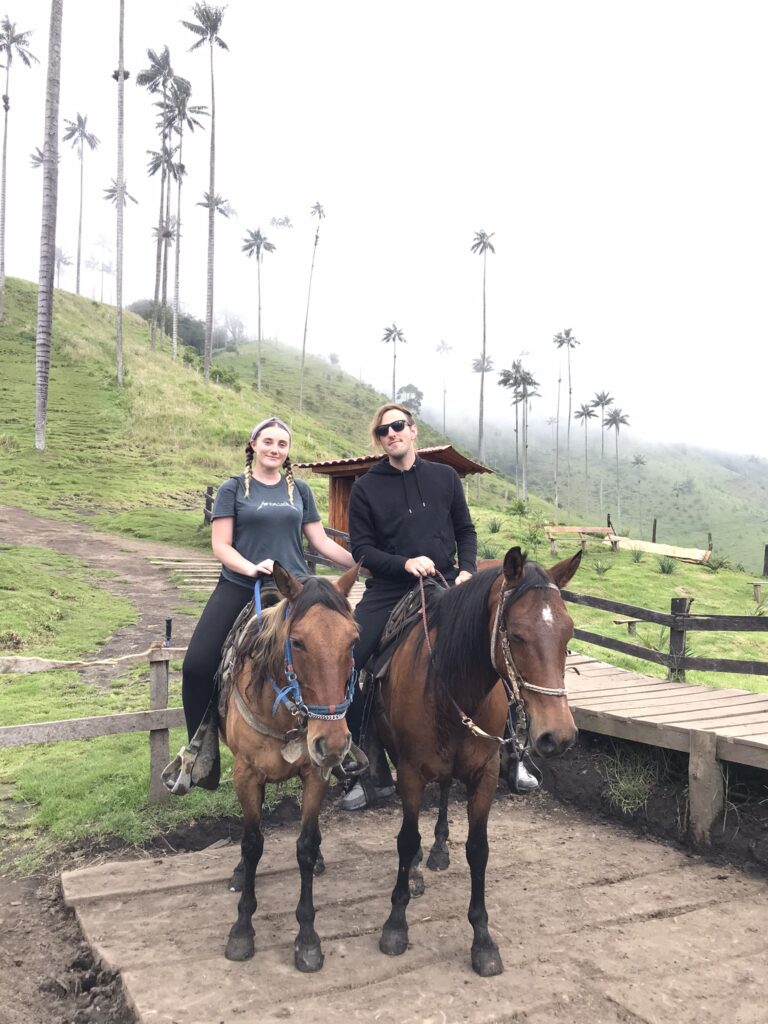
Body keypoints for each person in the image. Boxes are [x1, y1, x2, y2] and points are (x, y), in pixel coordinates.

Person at [340, 402, 540, 810]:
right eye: (383, 431)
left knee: (494, 650)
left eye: (398, 426)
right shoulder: (365, 487)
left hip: (448, 583)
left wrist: (466, 570)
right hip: (389, 589)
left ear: (413, 431)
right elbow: (361, 548)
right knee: (350, 659)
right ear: (378, 441)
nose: (392, 434)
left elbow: (465, 530)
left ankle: (513, 752)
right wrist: (404, 563)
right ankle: (363, 767)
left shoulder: (445, 477)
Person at [168, 416, 357, 794]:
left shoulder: (299, 490)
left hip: (297, 590)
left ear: (288, 452)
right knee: (197, 664)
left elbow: (319, 541)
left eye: (282, 444)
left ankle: (341, 748)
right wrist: (251, 566)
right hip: (241, 583)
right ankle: (199, 752)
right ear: (252, 444)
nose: (274, 448)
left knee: (341, 655)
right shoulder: (233, 488)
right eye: (268, 441)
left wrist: (358, 563)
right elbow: (221, 545)